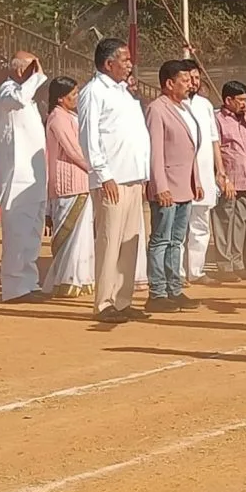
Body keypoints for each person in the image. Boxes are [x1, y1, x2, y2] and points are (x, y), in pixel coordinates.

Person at [79, 38, 151, 323]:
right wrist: (103, 174)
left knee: (129, 243)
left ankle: (123, 299)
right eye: (125, 59)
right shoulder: (93, 92)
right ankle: (104, 302)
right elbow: (89, 138)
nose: (130, 64)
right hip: (112, 178)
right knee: (110, 241)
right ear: (109, 63)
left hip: (133, 177)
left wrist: (144, 174)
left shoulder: (124, 92)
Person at [144, 61, 202, 312]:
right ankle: (157, 293)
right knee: (161, 240)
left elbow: (191, 148)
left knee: (176, 241)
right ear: (169, 83)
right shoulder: (157, 109)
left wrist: (196, 180)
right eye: (184, 80)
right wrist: (160, 186)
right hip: (166, 186)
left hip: (184, 186)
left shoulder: (185, 108)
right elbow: (155, 152)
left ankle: (174, 289)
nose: (190, 84)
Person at [0, 51, 48, 303]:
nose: (37, 71)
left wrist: (34, 78)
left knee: (32, 234)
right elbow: (19, 99)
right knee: (17, 235)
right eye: (32, 67)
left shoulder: (28, 96)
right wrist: (36, 77)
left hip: (34, 177)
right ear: (19, 70)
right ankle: (14, 287)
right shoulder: (6, 92)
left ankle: (29, 283)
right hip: (17, 178)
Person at [43, 77, 95, 298]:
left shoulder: (71, 116)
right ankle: (66, 280)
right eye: (73, 94)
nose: (77, 97)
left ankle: (80, 278)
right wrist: (95, 168)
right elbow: (73, 150)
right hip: (68, 183)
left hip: (81, 181)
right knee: (69, 236)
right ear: (60, 98)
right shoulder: (57, 118)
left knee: (82, 236)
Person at [214, 81, 246, 281]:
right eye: (241, 100)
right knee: (224, 221)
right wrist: (223, 178)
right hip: (229, 180)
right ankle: (224, 265)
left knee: (240, 223)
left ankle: (238, 263)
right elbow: (216, 149)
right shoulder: (218, 119)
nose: (245, 104)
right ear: (228, 100)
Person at [182, 60, 225, 286]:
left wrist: (221, 171)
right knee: (179, 227)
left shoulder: (205, 105)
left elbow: (214, 140)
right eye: (189, 78)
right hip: (181, 175)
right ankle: (177, 273)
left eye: (197, 78)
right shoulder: (172, 105)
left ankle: (196, 271)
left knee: (201, 224)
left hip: (205, 172)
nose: (194, 82)